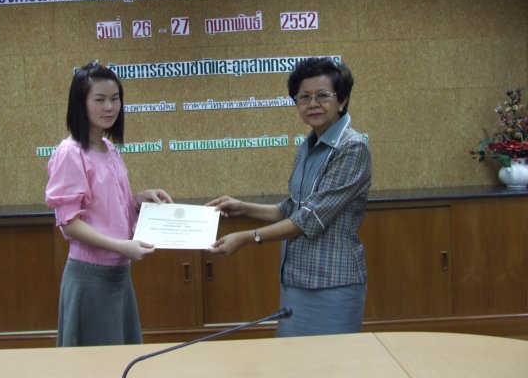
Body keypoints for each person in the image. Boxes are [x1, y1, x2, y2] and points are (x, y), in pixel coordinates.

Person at [207, 56, 371, 336]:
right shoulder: (308, 145)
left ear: (342, 100)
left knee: (332, 360)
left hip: (332, 283)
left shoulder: (352, 148)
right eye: (303, 97)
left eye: (322, 95)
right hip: (296, 280)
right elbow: (293, 208)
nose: (312, 104)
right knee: (293, 359)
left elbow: (310, 218)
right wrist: (241, 208)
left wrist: (248, 237)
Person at [45, 60, 172, 347]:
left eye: (115, 99)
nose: (109, 107)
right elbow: (70, 224)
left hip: (119, 273)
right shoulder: (70, 152)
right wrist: (121, 246)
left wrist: (139, 200)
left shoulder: (109, 148)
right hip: (90, 276)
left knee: (121, 359)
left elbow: (107, 207)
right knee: (94, 364)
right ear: (81, 104)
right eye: (99, 99)